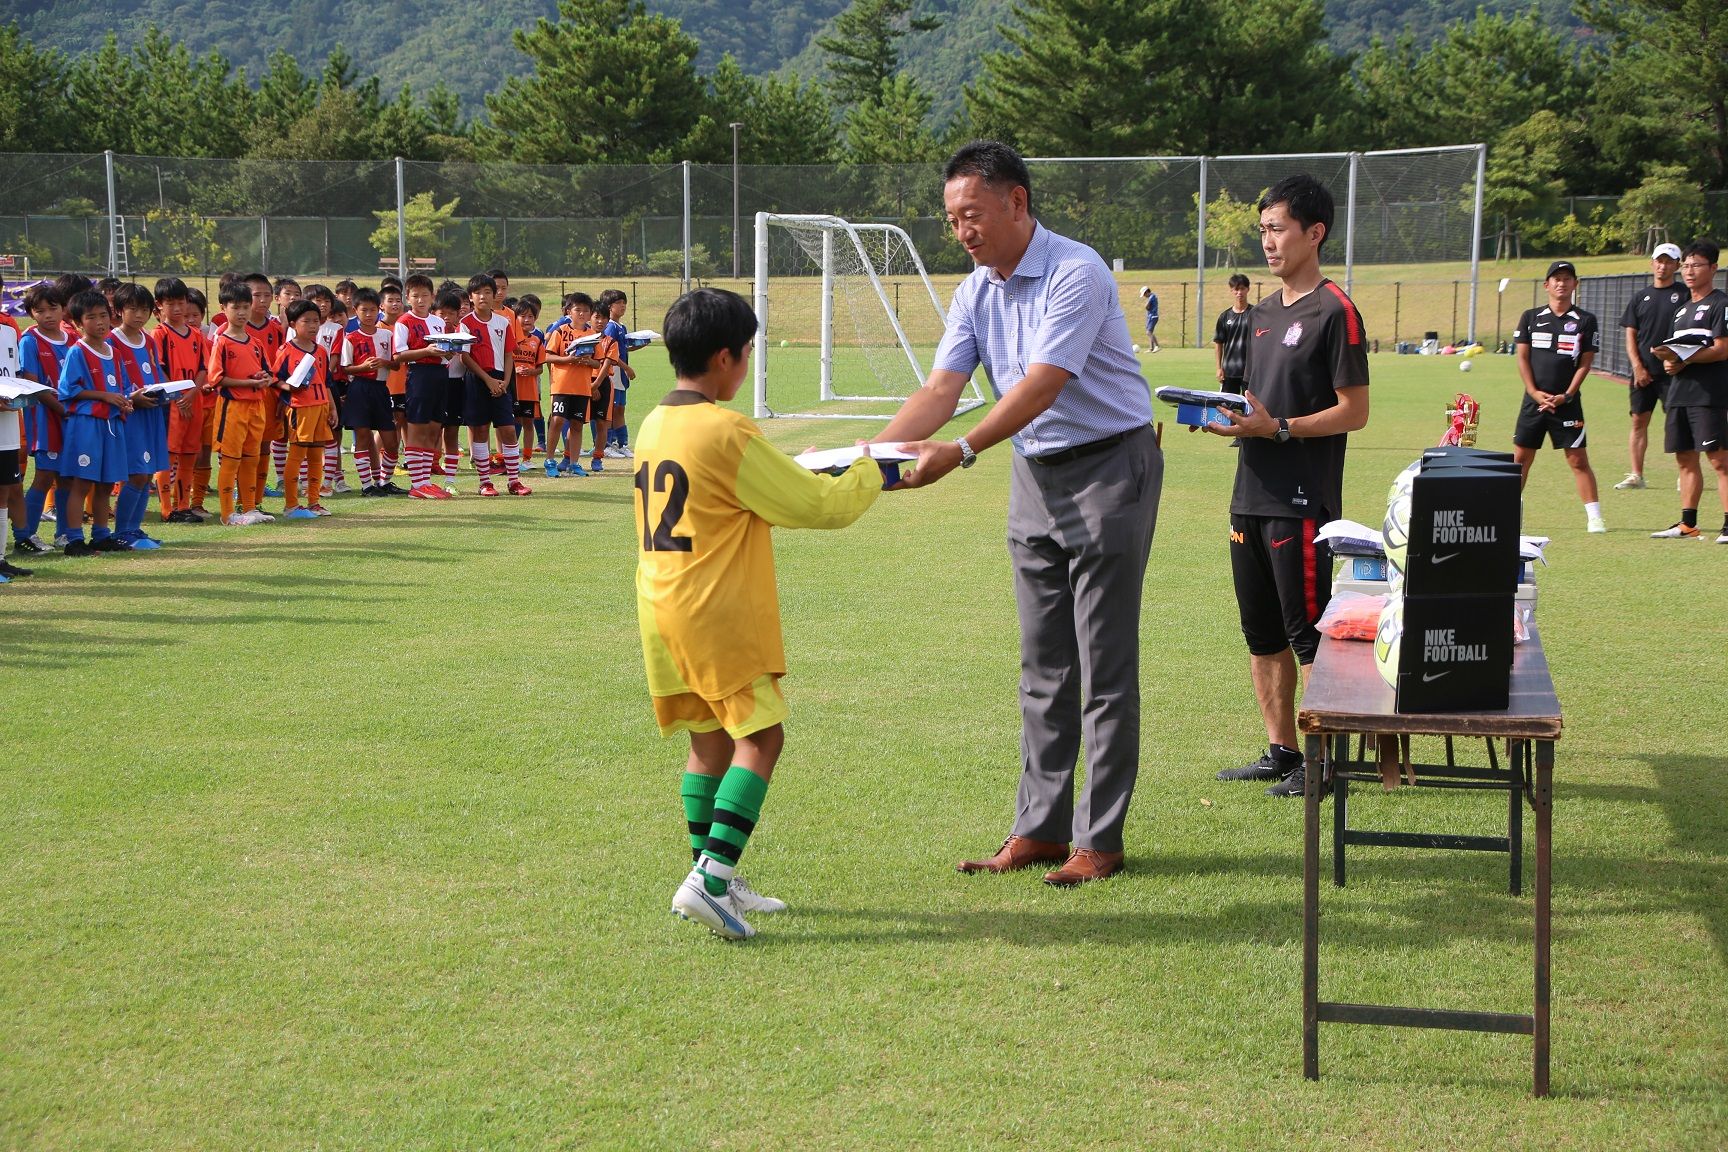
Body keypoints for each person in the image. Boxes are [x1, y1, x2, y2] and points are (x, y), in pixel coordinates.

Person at [878, 140, 1163, 885]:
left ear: (1016, 201)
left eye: (972, 213)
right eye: (952, 218)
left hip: (1109, 465)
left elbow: (1043, 383)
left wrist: (962, 450)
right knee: (1044, 664)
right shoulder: (975, 291)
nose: (962, 230)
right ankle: (1038, 830)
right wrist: (872, 455)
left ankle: (1099, 841)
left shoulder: (1076, 271)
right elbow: (941, 389)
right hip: (1036, 473)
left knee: (1103, 662)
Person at [642, 287, 885, 940]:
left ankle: (710, 874)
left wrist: (789, 470)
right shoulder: (726, 429)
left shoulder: (655, 423)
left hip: (662, 603)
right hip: (715, 609)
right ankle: (711, 879)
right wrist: (870, 471)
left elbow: (726, 492)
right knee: (762, 738)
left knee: (709, 740)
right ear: (726, 357)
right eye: (747, 353)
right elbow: (817, 507)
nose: (746, 366)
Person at [1206, 174, 1370, 798]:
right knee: (1262, 633)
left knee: (1308, 638)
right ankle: (1282, 751)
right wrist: (1226, 416)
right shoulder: (1261, 313)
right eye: (1263, 230)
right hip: (1249, 492)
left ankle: (1324, 763)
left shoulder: (1335, 311)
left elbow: (1354, 411)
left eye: (1277, 229)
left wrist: (1279, 429)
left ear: (1315, 232)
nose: (1268, 242)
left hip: (1300, 500)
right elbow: (1254, 400)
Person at [1511, 260, 1605, 533]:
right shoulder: (1531, 317)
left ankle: (1595, 517)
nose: (1561, 283)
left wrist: (1567, 395)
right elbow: (1522, 358)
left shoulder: (1586, 320)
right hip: (1534, 401)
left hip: (1567, 403)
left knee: (1578, 460)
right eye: (1556, 278)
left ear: (1575, 284)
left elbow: (1585, 363)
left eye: (1567, 278)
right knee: (1521, 458)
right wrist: (1533, 392)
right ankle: (1508, 513)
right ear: (1546, 285)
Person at [1650, 239, 1728, 542]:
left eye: (1696, 265)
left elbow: (1722, 349)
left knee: (1719, 460)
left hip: (1709, 395)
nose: (1689, 271)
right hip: (1679, 393)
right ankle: (1688, 524)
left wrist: (1685, 360)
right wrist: (1669, 361)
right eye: (1686, 265)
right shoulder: (1682, 310)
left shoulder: (1721, 304)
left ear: (1713, 268)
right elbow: (1678, 351)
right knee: (1684, 458)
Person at [55, 289, 131, 555]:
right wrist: (104, 396)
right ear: (78, 323)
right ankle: (74, 539)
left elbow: (123, 386)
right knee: (82, 482)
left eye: (103, 315)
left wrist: (125, 400)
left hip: (113, 424)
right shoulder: (77, 352)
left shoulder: (115, 353)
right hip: (87, 424)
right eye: (91, 317)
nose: (100, 322)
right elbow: (67, 390)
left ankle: (101, 535)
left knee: (107, 483)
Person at [1616, 243, 1686, 490]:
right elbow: (1631, 335)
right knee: (1638, 421)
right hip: (1643, 373)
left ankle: (1685, 474)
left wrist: (1678, 361)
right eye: (1659, 260)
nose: (1662, 266)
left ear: (1677, 265)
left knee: (1677, 423)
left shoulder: (1685, 295)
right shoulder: (1640, 297)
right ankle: (1636, 475)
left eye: (1668, 261)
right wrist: (1637, 366)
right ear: (1652, 263)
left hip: (1673, 372)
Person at [207, 280, 277, 526]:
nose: (241, 312)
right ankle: (227, 513)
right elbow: (216, 379)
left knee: (251, 458)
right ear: (223, 308)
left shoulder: (256, 343)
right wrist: (248, 383)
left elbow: (269, 373)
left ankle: (249, 507)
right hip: (233, 407)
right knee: (230, 459)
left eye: (246, 307)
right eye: (235, 307)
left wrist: (264, 379)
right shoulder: (222, 342)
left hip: (256, 407)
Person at [108, 283, 170, 550]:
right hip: (129, 415)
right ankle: (121, 531)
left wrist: (169, 390)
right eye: (132, 309)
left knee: (147, 474)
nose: (139, 315)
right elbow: (108, 383)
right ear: (119, 310)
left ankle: (134, 528)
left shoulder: (149, 340)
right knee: (135, 475)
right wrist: (131, 398)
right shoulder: (111, 341)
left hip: (151, 414)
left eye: (144, 309)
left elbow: (155, 374)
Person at [459, 272, 530, 497]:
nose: (483, 296)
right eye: (478, 293)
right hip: (477, 379)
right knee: (481, 429)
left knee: (508, 429)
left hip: (501, 379)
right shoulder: (465, 323)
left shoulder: (503, 322)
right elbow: (464, 357)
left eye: (487, 292)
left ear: (494, 295)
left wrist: (506, 381)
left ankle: (514, 481)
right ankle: (485, 482)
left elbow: (509, 353)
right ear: (471, 297)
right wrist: (487, 380)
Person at [16, 284, 71, 551]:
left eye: (53, 308)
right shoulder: (29, 341)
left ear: (64, 309)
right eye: (40, 311)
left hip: (72, 418)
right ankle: (25, 535)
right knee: (45, 475)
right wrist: (63, 410)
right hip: (45, 419)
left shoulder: (73, 339)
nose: (47, 315)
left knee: (67, 477)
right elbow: (33, 385)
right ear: (31, 314)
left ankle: (65, 533)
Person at [152, 277, 211, 525]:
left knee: (189, 454)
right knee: (169, 455)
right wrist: (177, 396)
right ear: (159, 306)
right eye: (171, 304)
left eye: (181, 302)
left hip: (193, 401)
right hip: (172, 404)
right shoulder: (159, 334)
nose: (177, 309)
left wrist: (192, 393)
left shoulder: (196, 335)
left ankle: (184, 505)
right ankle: (167, 509)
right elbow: (158, 368)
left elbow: (203, 368)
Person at [273, 300, 338, 519]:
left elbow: (326, 382)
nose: (313, 325)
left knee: (316, 456)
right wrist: (288, 388)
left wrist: (332, 408)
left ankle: (314, 501)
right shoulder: (286, 350)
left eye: (316, 321)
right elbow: (274, 379)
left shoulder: (321, 351)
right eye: (307, 321)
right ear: (293, 324)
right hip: (300, 408)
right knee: (297, 455)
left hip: (321, 407)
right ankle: (291, 505)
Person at [393, 276, 452, 499]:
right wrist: (427, 351)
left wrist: (450, 350)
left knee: (433, 428)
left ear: (432, 297)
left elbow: (444, 352)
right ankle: (417, 484)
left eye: (425, 295)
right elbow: (398, 355)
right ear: (407, 298)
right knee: (417, 428)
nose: (420, 300)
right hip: (419, 375)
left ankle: (425, 481)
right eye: (415, 296)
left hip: (440, 374)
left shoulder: (438, 322)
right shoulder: (404, 321)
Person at [341, 288, 402, 497]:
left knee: (391, 442)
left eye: (372, 310)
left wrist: (384, 362)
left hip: (381, 390)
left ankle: (384, 481)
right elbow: (345, 368)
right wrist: (363, 367)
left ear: (379, 310)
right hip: (359, 389)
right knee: (363, 437)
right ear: (355, 310)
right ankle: (367, 486)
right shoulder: (350, 338)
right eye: (364, 310)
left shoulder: (387, 335)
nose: (368, 314)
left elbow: (396, 364)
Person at [543, 293, 600, 478]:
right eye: (578, 310)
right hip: (561, 385)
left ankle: (574, 463)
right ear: (569, 311)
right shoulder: (560, 332)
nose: (582, 314)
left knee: (577, 424)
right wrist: (568, 359)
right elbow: (547, 356)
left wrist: (588, 362)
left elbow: (598, 362)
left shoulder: (593, 335)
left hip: (582, 387)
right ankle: (549, 460)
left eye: (586, 310)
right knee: (557, 421)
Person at [598, 288, 637, 457]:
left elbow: (623, 349)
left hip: (621, 374)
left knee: (620, 408)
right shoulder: (610, 327)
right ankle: (607, 444)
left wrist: (641, 344)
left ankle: (622, 444)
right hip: (614, 372)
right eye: (618, 303)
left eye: (624, 302)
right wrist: (626, 367)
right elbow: (609, 353)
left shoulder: (622, 327)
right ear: (609, 306)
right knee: (612, 408)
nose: (623, 306)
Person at [1214, 273, 1252, 394]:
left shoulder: (1255, 314)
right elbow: (1218, 343)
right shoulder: (1225, 316)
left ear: (1248, 289)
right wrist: (1219, 368)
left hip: (1250, 371)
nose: (1239, 292)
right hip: (1229, 370)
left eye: (1242, 288)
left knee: (1250, 404)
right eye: (1236, 289)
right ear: (1231, 290)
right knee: (1228, 404)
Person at [1140, 286, 1161, 352]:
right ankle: (1151, 348)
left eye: (1144, 294)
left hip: (1153, 316)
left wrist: (1147, 307)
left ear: (1146, 292)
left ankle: (1157, 346)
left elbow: (1146, 306)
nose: (1144, 296)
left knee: (1149, 332)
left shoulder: (1152, 297)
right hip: (1151, 316)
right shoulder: (1152, 296)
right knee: (1150, 332)